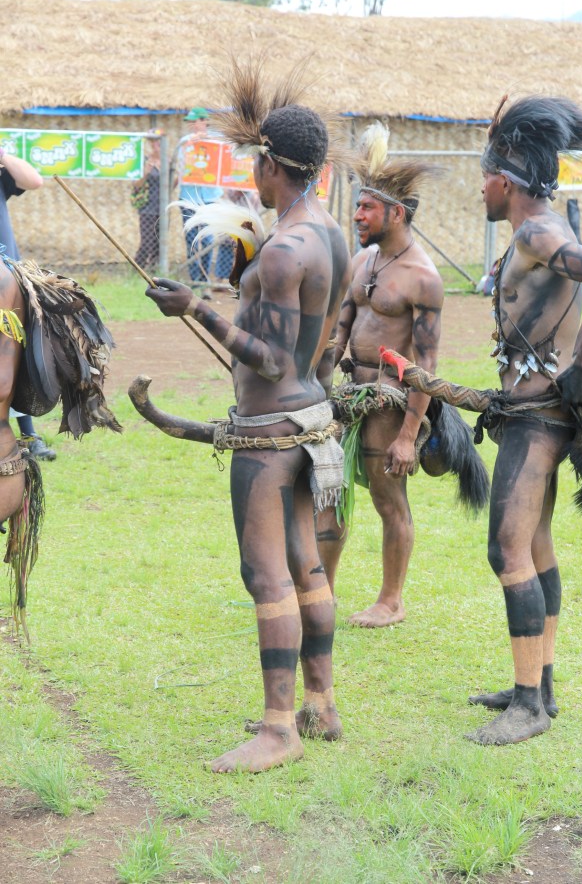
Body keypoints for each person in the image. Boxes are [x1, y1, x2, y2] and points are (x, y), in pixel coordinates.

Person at [143, 62, 352, 773]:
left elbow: (267, 359)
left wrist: (194, 306)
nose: (250, 179)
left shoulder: (282, 251)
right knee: (305, 564)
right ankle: (318, 704)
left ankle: (276, 729)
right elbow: (310, 351)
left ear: (271, 167)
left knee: (265, 574)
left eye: (254, 166)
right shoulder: (329, 236)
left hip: (268, 436)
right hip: (312, 422)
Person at [463, 95, 582, 745]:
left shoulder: (538, 232)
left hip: (538, 420)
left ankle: (526, 707)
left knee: (506, 548)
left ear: (505, 181)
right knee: (535, 548)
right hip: (529, 412)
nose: (479, 186)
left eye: (485, 175)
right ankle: (537, 686)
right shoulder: (533, 234)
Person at [316, 123, 444, 628]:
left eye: (367, 208)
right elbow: (340, 328)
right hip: (349, 395)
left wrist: (410, 434)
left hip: (392, 400)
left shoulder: (423, 278)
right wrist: (318, 385)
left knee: (388, 498)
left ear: (396, 212)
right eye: (357, 206)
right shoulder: (362, 260)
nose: (357, 215)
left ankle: (391, 600)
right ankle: (320, 590)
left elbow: (427, 365)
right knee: (330, 490)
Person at [0, 145, 55, 460]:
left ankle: (28, 434)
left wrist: (2, 155)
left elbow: (34, 180)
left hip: (7, 284)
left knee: (14, 353)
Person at [172, 107, 224, 300]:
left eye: (196, 121)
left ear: (204, 121)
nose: (192, 125)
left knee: (209, 240)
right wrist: (189, 149)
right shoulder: (184, 143)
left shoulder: (216, 141)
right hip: (188, 198)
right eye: (190, 122)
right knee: (192, 241)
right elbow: (180, 169)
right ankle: (195, 282)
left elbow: (230, 155)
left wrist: (206, 140)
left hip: (210, 199)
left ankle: (205, 283)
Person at [132, 130, 162, 271]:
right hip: (147, 207)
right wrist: (146, 172)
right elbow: (136, 184)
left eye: (159, 141)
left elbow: (171, 185)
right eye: (154, 142)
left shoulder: (168, 161)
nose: (157, 145)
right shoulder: (144, 160)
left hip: (162, 207)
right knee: (147, 241)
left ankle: (154, 268)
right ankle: (138, 267)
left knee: (159, 241)